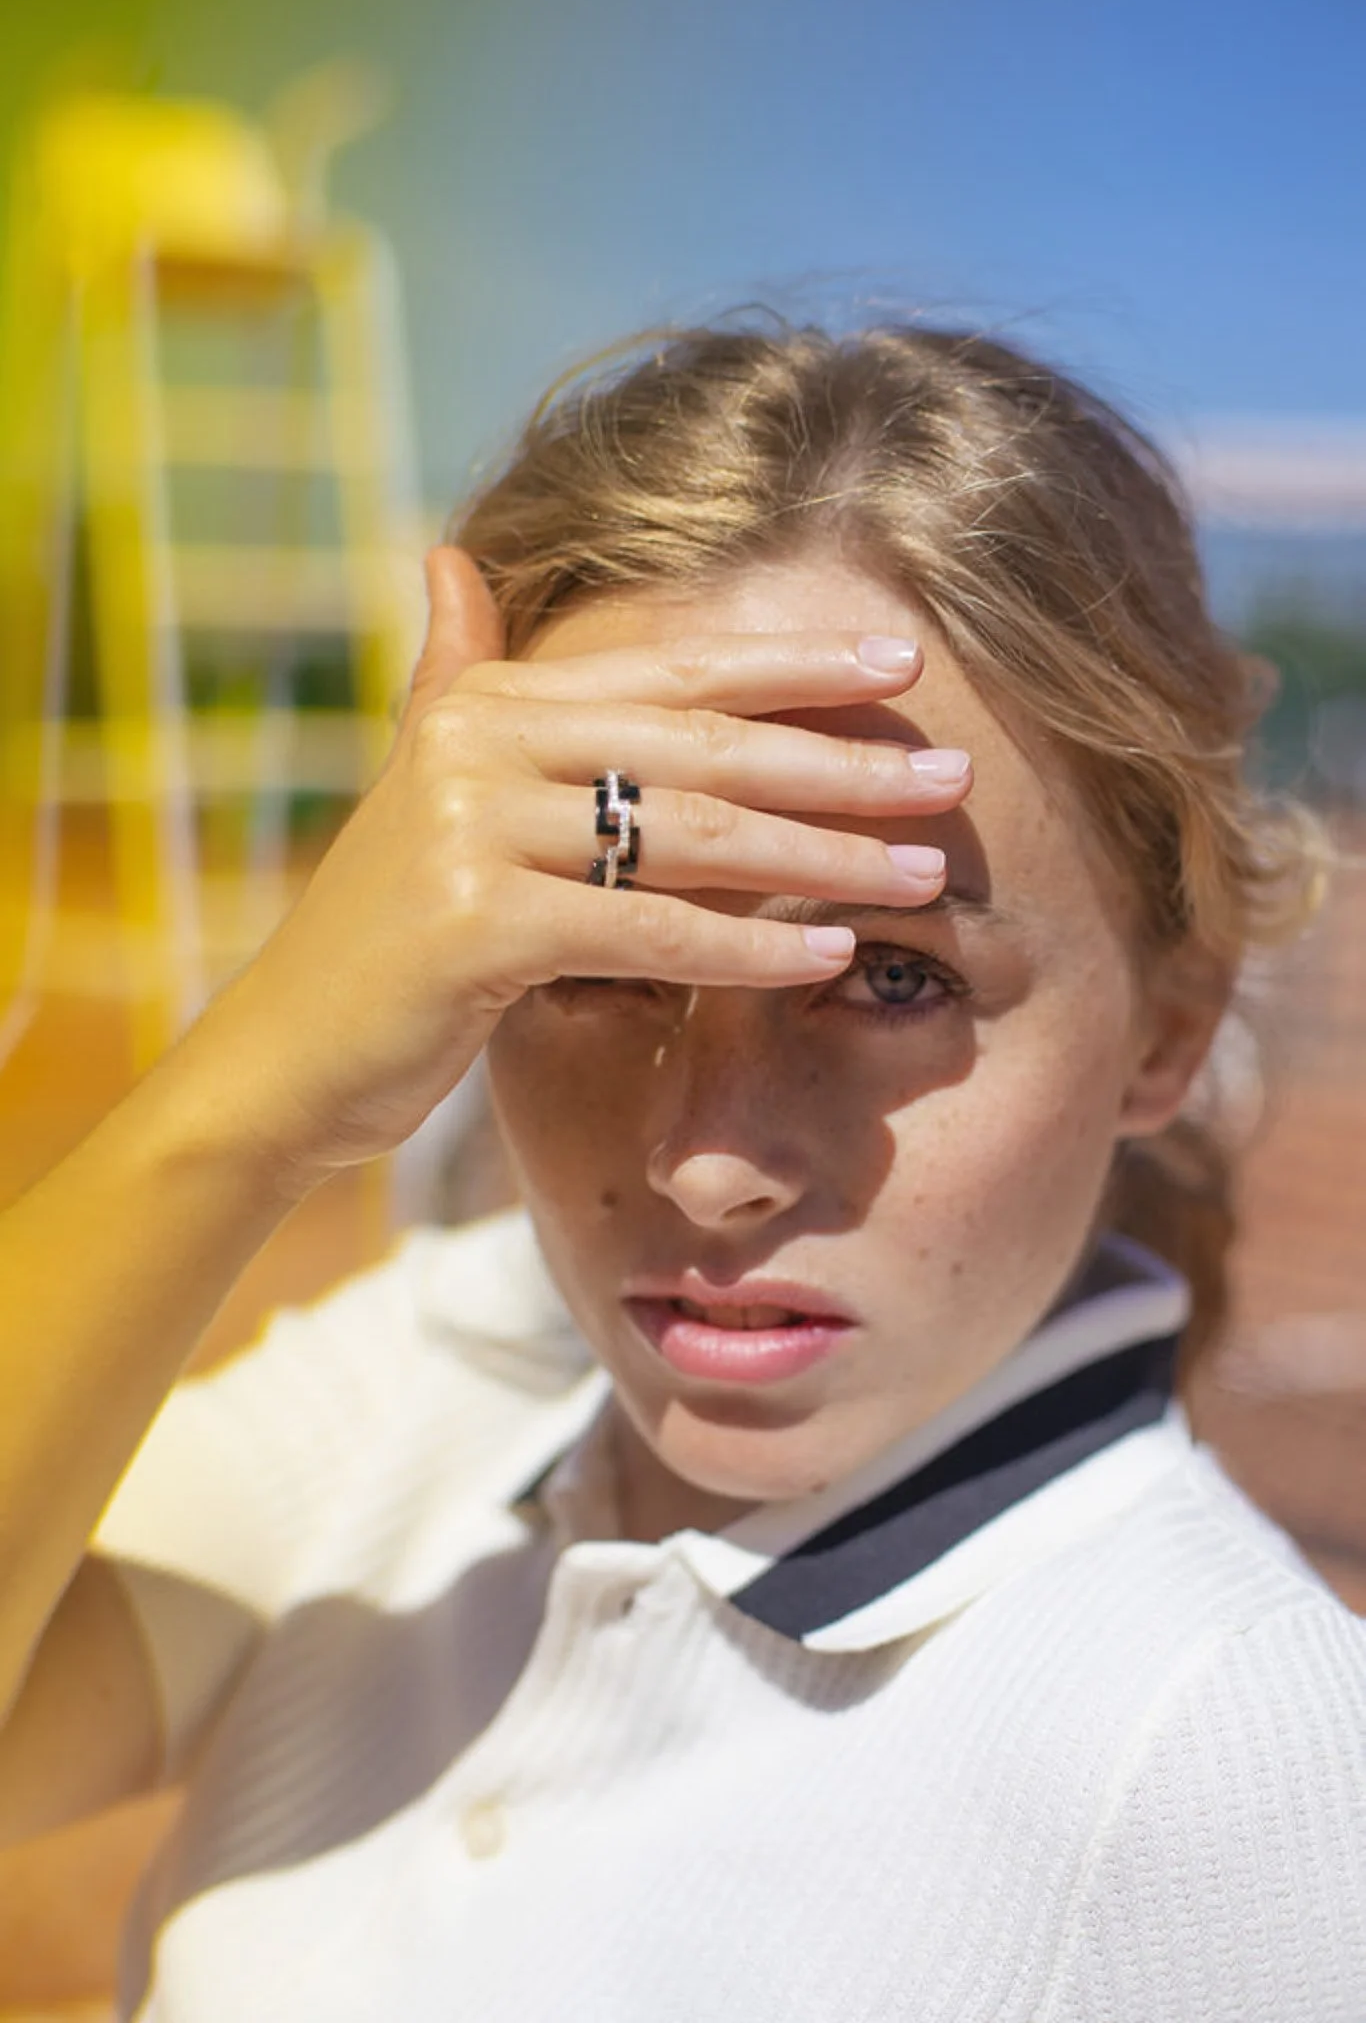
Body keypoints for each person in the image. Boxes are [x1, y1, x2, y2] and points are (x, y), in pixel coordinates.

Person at [1, 318, 1363, 2022]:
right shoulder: (441, 1378)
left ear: (1166, 1031)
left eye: (892, 977)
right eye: (598, 957)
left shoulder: (1245, 1773)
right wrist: (250, 1096)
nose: (707, 1161)